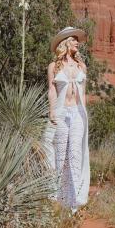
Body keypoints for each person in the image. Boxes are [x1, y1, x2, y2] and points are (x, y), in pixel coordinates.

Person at [47, 26, 90, 213]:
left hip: (78, 113)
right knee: (60, 154)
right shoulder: (54, 66)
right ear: (65, 43)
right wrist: (51, 112)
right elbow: (51, 90)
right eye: (73, 40)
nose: (77, 42)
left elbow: (84, 92)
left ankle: (75, 201)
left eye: (77, 40)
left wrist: (85, 113)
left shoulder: (82, 66)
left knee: (75, 154)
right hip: (61, 112)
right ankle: (59, 198)